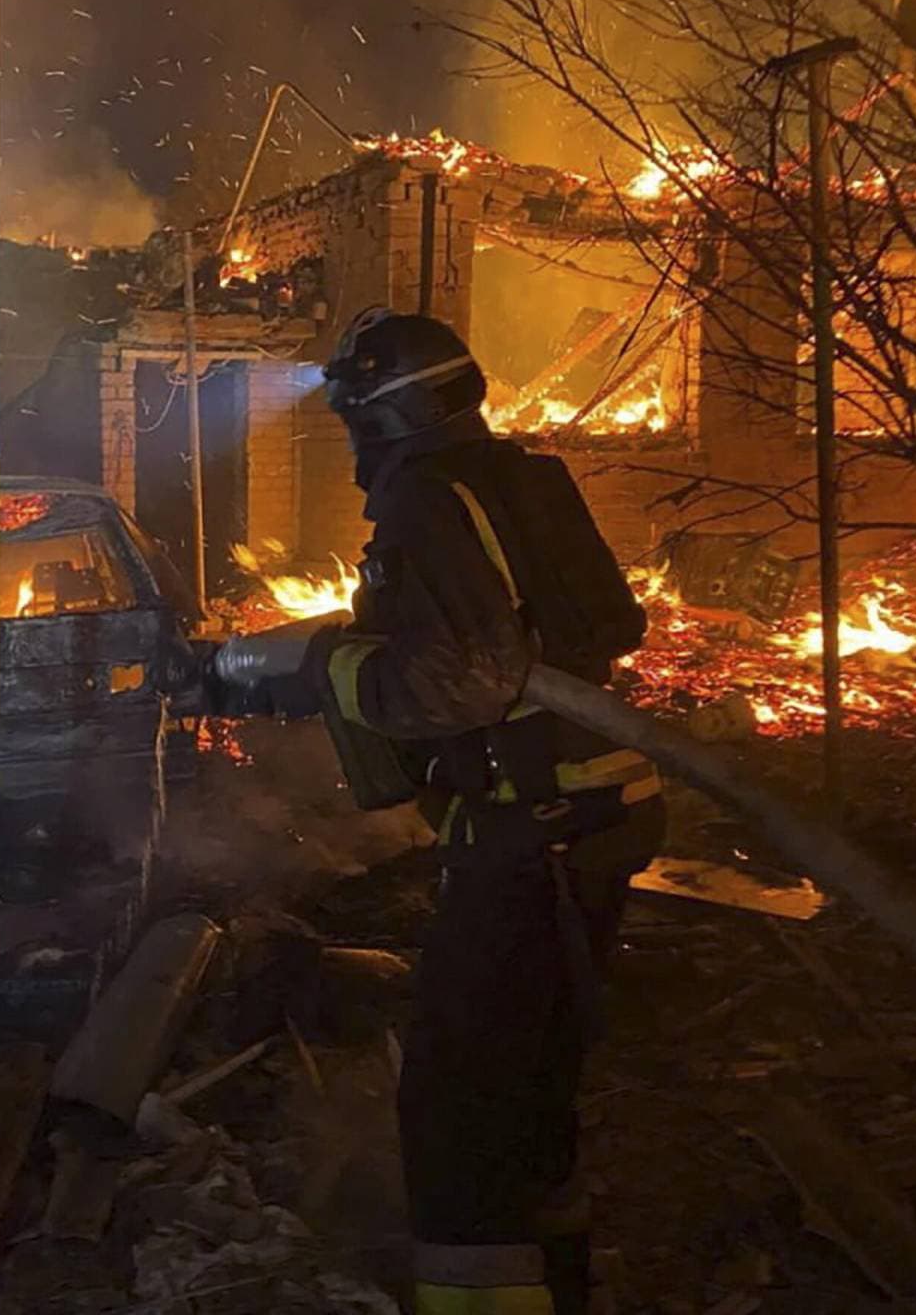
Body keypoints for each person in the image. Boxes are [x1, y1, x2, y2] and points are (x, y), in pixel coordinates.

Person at [299, 308, 664, 1315]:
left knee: (456, 1100)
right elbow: (599, 624)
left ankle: (480, 1296)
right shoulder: (524, 478)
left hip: (529, 833)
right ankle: (559, 1275)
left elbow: (467, 679)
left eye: (352, 420)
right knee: (535, 1069)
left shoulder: (425, 495)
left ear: (386, 416)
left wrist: (346, 673)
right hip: (601, 814)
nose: (350, 445)